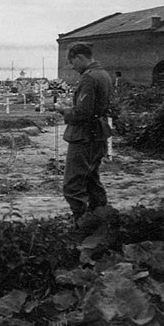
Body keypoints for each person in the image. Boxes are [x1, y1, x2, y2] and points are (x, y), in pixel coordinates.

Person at [56, 43, 113, 229]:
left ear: (80, 58)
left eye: (72, 62)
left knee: (72, 185)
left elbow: (82, 113)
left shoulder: (89, 78)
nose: (72, 67)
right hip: (98, 134)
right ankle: (102, 217)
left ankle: (83, 224)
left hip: (84, 136)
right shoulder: (103, 74)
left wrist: (63, 110)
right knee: (91, 179)